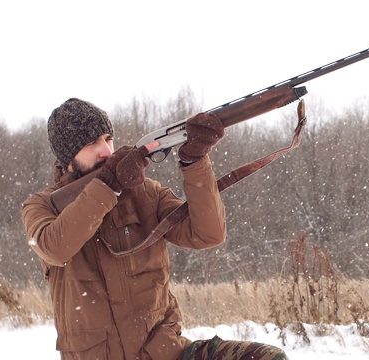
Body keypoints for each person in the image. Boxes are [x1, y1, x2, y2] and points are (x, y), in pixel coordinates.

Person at [22, 98, 288, 360]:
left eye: (108, 138)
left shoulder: (146, 193)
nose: (106, 150)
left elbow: (207, 234)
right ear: (68, 156)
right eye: (92, 143)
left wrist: (194, 162)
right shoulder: (42, 206)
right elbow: (54, 248)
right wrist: (107, 186)